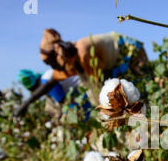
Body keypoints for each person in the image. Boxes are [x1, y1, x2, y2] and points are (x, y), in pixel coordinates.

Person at [15, 29, 148, 116]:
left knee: (140, 92)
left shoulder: (84, 52)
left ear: (57, 54)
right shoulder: (68, 64)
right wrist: (25, 104)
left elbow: (104, 81)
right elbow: (49, 85)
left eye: (50, 62)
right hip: (112, 68)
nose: (51, 66)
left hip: (128, 55)